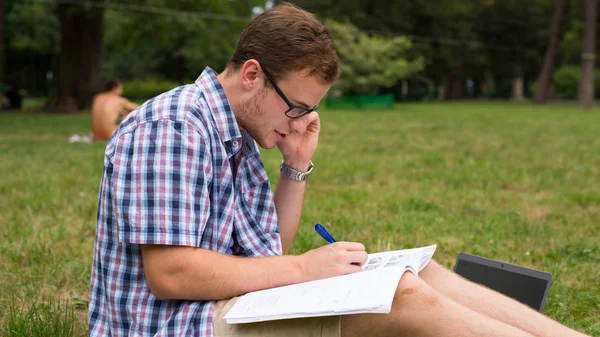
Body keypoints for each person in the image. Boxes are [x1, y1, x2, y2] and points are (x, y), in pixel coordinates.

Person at [88, 3, 590, 337]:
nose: (302, 121)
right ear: (252, 75)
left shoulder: (235, 130)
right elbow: (172, 274)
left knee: (416, 271)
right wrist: (308, 269)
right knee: (401, 295)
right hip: (172, 323)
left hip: (218, 307)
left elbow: (267, 252)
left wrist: (296, 167)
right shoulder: (174, 129)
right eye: (296, 106)